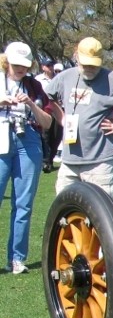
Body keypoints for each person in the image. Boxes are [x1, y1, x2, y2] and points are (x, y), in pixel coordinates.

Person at [46, 36, 113, 200]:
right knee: (64, 215)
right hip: (69, 162)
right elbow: (48, 97)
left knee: (101, 219)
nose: (89, 68)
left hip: (100, 163)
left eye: (93, 64)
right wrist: (61, 118)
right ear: (76, 57)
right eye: (85, 63)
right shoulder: (65, 77)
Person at [1, 42, 55, 274]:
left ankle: (17, 259)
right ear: (6, 61)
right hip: (2, 137)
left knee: (23, 205)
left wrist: (31, 104)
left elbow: (48, 122)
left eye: (24, 65)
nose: (20, 69)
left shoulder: (34, 86)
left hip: (29, 140)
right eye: (16, 65)